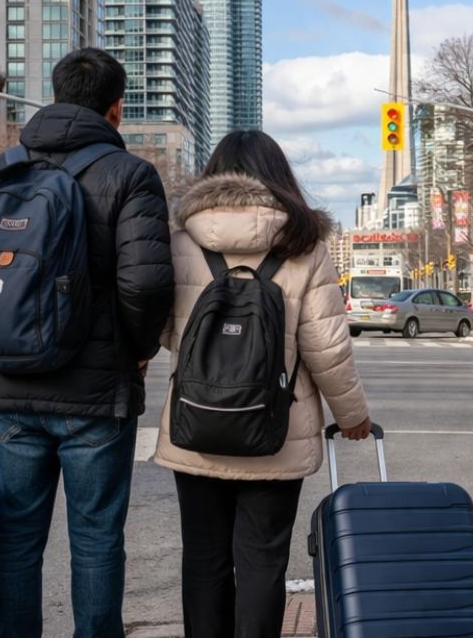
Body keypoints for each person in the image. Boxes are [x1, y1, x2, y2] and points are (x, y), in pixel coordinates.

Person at [0, 48, 175, 638]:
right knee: (95, 538)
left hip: (9, 391)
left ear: (56, 98)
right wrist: (137, 350)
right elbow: (144, 283)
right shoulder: (130, 176)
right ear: (115, 109)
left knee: (16, 535)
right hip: (95, 394)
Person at [154, 131, 370, 638]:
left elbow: (163, 329)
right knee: (262, 562)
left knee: (204, 558)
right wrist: (352, 414)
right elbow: (327, 347)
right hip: (277, 430)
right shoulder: (304, 243)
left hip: (195, 422)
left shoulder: (181, 239)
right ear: (279, 177)